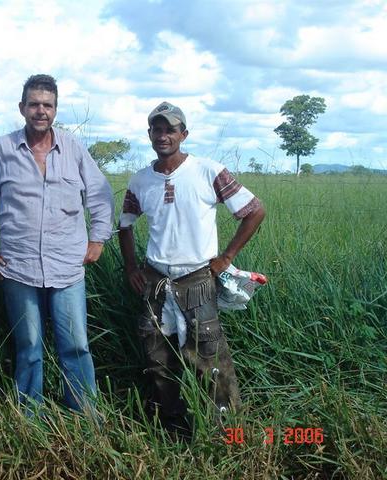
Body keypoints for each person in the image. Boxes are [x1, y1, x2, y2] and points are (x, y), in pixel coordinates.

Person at [0, 74, 114, 413]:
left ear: (56, 110)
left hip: (67, 266)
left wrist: (98, 238)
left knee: (75, 344)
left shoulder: (73, 148)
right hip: (19, 267)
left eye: (47, 105)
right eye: (34, 104)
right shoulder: (2, 150)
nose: (40, 111)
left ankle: (84, 415)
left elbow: (101, 195)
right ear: (22, 108)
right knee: (29, 345)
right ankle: (28, 417)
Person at [118, 102, 265, 434]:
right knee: (158, 358)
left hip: (197, 278)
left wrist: (226, 257)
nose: (163, 135)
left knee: (210, 359)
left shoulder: (208, 171)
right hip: (155, 280)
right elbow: (124, 225)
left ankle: (226, 430)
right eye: (157, 129)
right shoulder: (141, 180)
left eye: (171, 129)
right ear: (149, 134)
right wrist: (130, 268)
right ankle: (170, 425)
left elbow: (254, 210)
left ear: (183, 134)